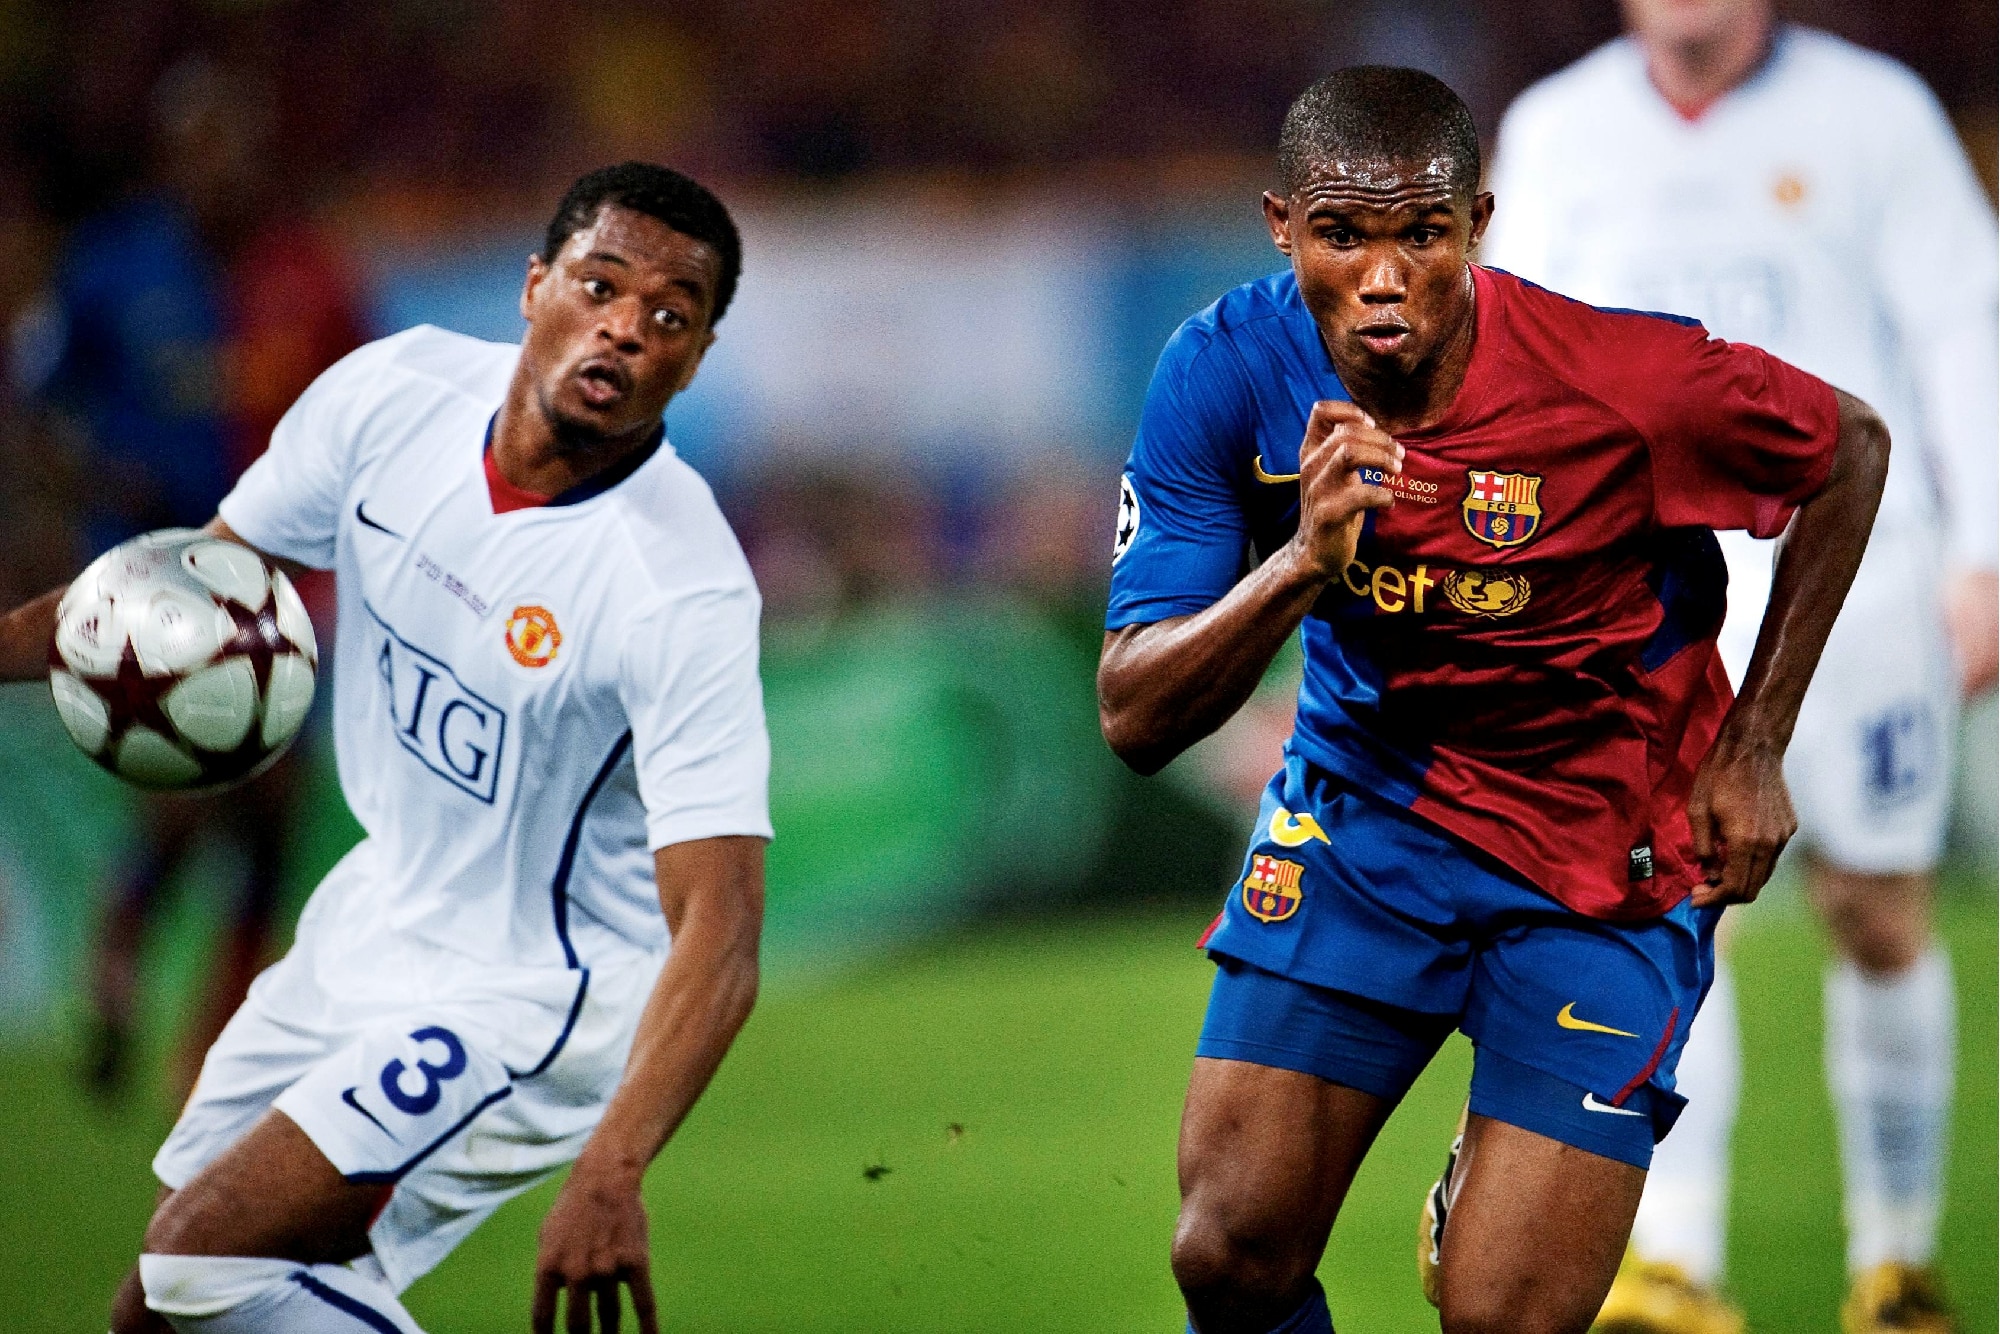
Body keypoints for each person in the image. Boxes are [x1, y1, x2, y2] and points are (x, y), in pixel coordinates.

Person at [1097, 66, 1889, 1334]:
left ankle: (1487, 1186)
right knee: (1227, 1255)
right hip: (1362, 819)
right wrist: (1299, 563)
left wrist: (1753, 742)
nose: (1382, 277)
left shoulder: (1622, 378)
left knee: (1503, 1316)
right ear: (1280, 226)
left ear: (1475, 223)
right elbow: (1134, 717)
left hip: (1600, 850)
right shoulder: (1222, 370)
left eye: (1421, 233)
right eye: (1340, 234)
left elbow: (1846, 447)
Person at [0, 161, 769, 1334]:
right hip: (371, 923)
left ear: (696, 357)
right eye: (600, 285)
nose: (625, 326)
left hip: (532, 994)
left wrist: (612, 1166)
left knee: (201, 1262)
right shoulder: (390, 396)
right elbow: (181, 593)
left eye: (671, 316)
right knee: (158, 1309)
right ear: (534, 285)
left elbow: (719, 921)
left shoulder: (679, 585)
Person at [1481, 3, 1997, 1328]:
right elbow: (1505, 365)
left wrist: (1986, 550)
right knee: (1664, 899)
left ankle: (1895, 1258)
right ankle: (1674, 1257)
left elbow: (1964, 326)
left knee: (1874, 908)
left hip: (1859, 572)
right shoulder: (1557, 129)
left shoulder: (1873, 115)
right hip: (1648, 591)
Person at [23, 54, 369, 1100]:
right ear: (169, 156)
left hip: (275, 580)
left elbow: (364, 411)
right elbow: (39, 402)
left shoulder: (311, 274)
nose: (221, 165)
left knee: (272, 811)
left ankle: (204, 1033)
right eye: (200, 144)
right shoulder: (110, 269)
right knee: (190, 795)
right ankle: (121, 969)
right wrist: (87, 483)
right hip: (149, 570)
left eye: (237, 143)